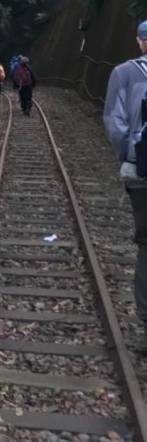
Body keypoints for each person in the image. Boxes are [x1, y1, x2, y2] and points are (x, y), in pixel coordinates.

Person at [104, 21, 147, 350]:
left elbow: (115, 123)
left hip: (141, 171)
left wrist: (129, 156)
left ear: (139, 41)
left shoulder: (125, 73)